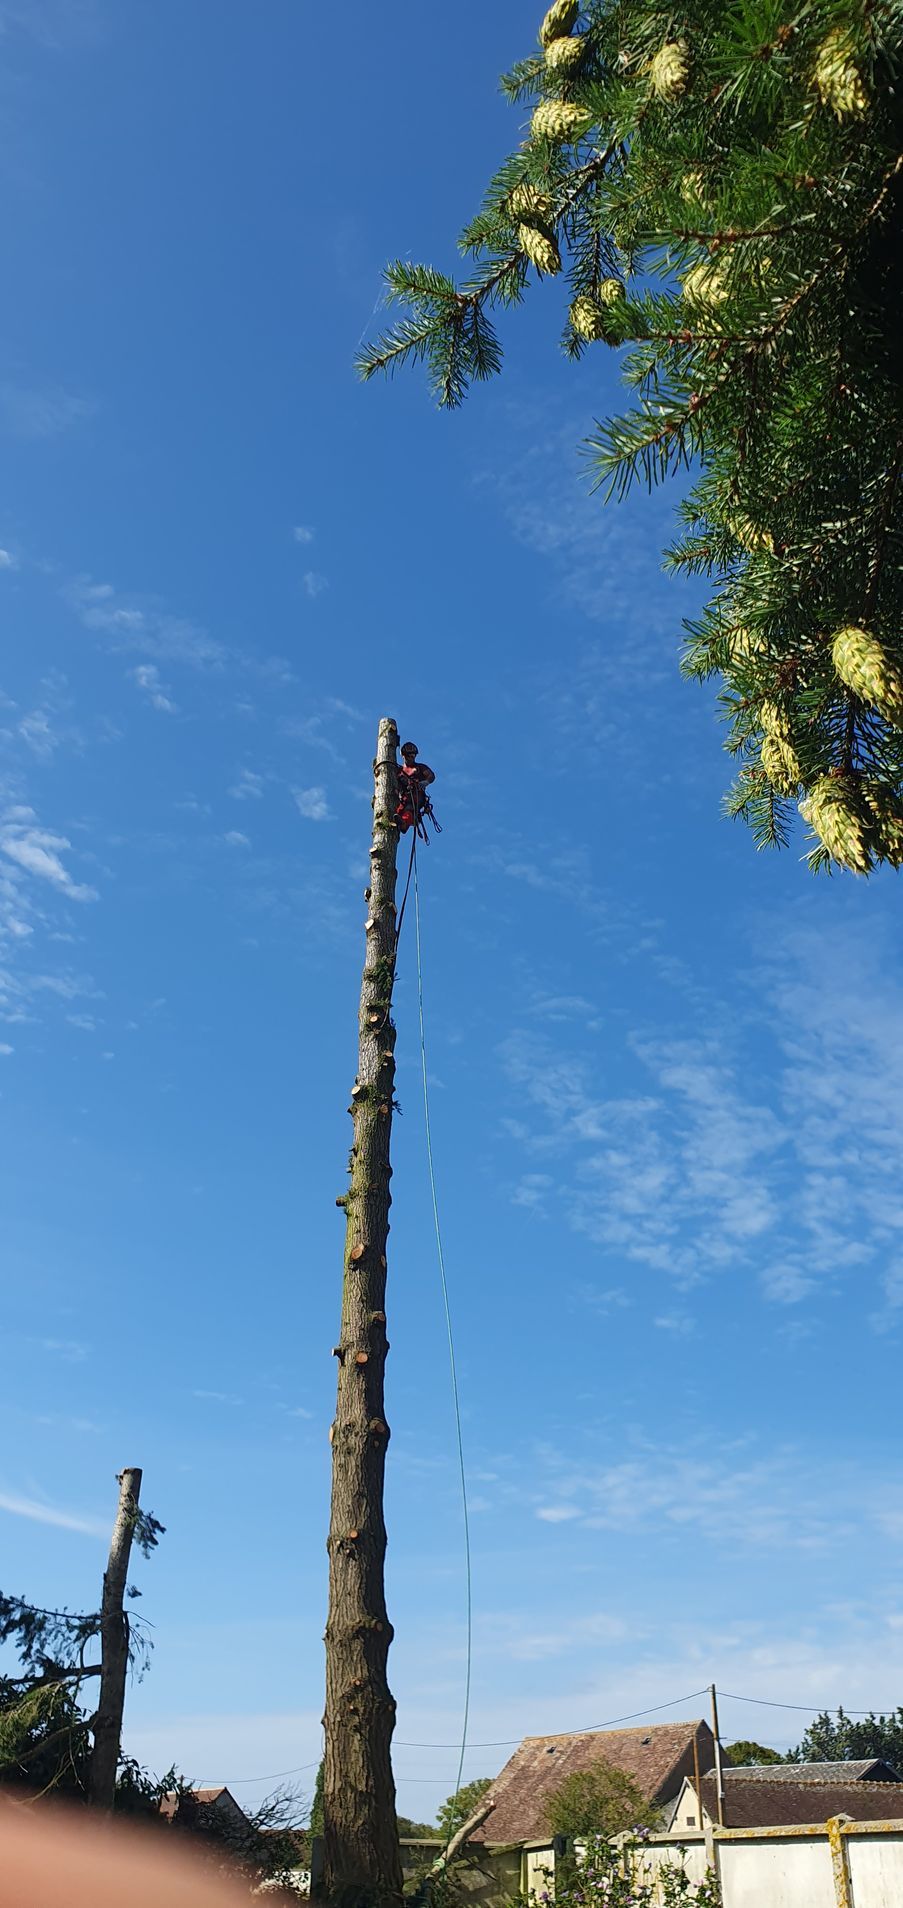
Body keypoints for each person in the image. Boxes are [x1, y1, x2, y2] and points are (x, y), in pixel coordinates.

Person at [395, 741, 437, 837]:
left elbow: (431, 776)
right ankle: (397, 820)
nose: (412, 758)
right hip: (403, 797)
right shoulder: (399, 771)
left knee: (410, 807)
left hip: (416, 796)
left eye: (413, 756)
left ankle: (404, 824)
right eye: (409, 756)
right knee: (399, 809)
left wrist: (425, 782)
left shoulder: (420, 767)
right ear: (404, 756)